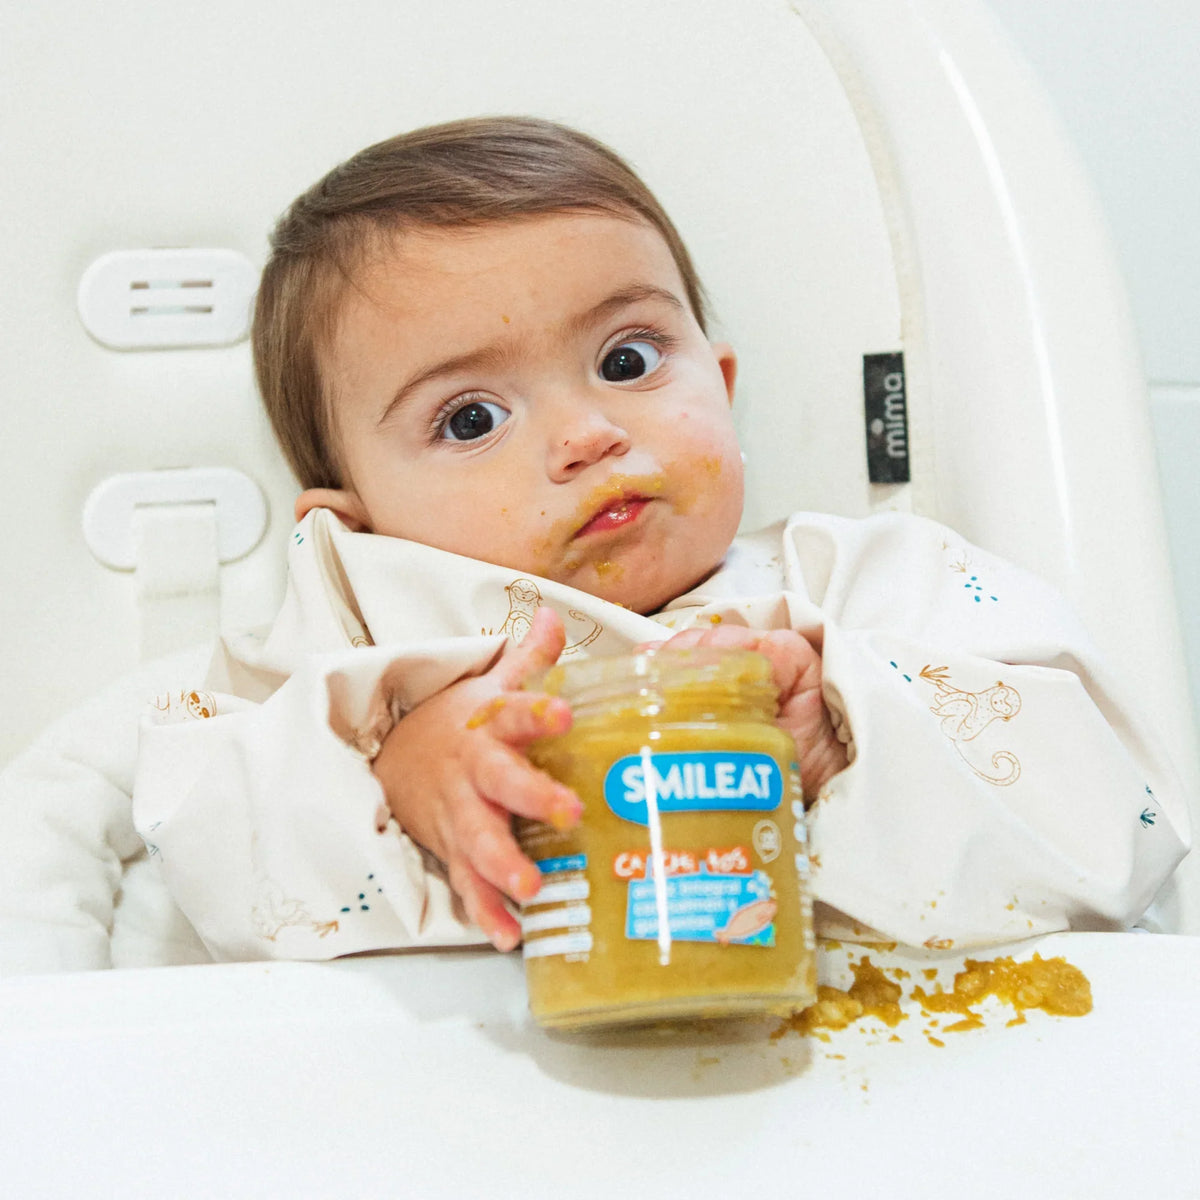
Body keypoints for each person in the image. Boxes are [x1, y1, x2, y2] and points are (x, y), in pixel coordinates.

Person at [9, 116, 1191, 973]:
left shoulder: (871, 584)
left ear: (720, 386)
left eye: (628, 361)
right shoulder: (347, 653)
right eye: (470, 418)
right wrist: (404, 781)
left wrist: (846, 733)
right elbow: (212, 866)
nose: (586, 434)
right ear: (352, 525)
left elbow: (1118, 832)